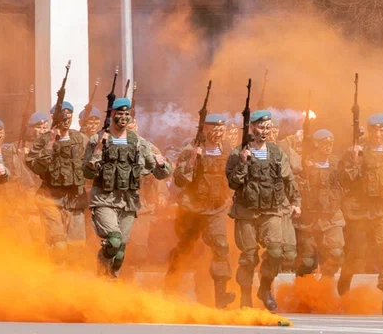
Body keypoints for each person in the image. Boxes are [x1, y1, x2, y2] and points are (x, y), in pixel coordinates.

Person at [81, 97, 172, 277]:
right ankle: (101, 268)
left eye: (126, 114)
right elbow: (86, 173)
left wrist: (162, 164)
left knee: (120, 253)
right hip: (104, 200)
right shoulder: (96, 139)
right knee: (113, 241)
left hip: (128, 202)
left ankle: (110, 284)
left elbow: (162, 174)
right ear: (111, 115)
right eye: (119, 114)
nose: (123, 117)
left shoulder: (139, 142)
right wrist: (98, 151)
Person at [338, 112, 383, 315]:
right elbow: (342, 181)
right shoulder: (356, 150)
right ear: (368, 130)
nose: (378, 134)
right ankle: (344, 282)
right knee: (357, 254)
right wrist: (354, 160)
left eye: (382, 130)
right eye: (374, 130)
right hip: (361, 211)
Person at [225, 110, 300, 311]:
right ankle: (245, 298)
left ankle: (265, 288)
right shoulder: (237, 152)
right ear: (252, 128)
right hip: (246, 212)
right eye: (260, 127)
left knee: (276, 252)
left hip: (272, 211)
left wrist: (296, 201)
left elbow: (289, 179)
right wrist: (243, 162)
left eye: (268, 127)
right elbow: (232, 183)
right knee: (249, 257)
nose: (264, 131)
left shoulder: (276, 153)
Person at [166, 113, 235, 307]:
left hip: (216, 208)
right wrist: (192, 162)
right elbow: (179, 180)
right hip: (192, 209)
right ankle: (170, 288)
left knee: (221, 245)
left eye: (222, 128)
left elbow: (233, 176)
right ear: (204, 129)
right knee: (186, 250)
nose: (218, 132)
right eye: (214, 128)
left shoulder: (228, 150)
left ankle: (221, 295)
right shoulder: (191, 150)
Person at [27, 102, 91, 250]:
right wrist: (50, 144)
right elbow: (34, 166)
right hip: (51, 200)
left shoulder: (81, 139)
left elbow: (90, 165)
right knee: (59, 246)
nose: (66, 119)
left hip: (75, 200)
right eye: (63, 115)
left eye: (69, 115)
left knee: (76, 248)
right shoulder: (43, 140)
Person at [294, 128, 345, 279]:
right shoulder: (304, 164)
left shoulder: (337, 163)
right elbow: (294, 188)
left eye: (331, 143)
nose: (328, 146)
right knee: (307, 262)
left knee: (336, 254)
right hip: (309, 220)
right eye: (324, 143)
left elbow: (347, 182)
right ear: (316, 144)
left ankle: (325, 285)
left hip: (331, 217)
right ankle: (304, 290)